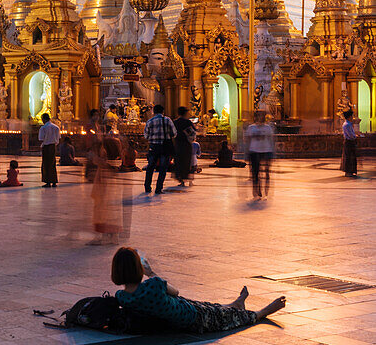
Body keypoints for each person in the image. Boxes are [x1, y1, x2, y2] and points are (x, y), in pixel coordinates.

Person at [111, 246, 285, 333]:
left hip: (177, 317)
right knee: (227, 319)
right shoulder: (154, 283)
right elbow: (175, 291)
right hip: (191, 317)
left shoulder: (121, 296)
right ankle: (263, 311)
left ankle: (234, 304)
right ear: (138, 268)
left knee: (211, 307)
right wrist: (151, 273)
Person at [90, 132, 125, 244]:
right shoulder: (117, 159)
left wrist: (96, 159)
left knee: (102, 209)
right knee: (113, 209)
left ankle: (103, 236)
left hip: (103, 184)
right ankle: (114, 235)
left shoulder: (104, 156)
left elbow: (101, 162)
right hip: (112, 185)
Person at [143, 104, 176, 195]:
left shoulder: (149, 121)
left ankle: (147, 187)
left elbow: (146, 136)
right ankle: (158, 188)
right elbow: (174, 133)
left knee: (150, 167)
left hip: (153, 147)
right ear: (163, 111)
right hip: (165, 147)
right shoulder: (167, 120)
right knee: (163, 168)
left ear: (153, 112)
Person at [244, 110, 275, 198]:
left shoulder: (267, 128)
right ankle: (257, 188)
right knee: (255, 172)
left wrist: (272, 152)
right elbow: (248, 140)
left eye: (262, 116)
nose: (261, 118)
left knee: (266, 172)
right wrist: (247, 152)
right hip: (254, 151)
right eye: (259, 116)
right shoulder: (251, 128)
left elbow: (270, 140)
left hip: (266, 150)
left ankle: (265, 186)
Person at [172, 106, 195, 188]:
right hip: (186, 144)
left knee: (178, 162)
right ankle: (186, 176)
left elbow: (172, 133)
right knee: (186, 161)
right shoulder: (187, 122)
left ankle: (180, 179)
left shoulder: (175, 122)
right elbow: (193, 132)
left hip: (178, 144)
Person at [38, 112, 60, 187]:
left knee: (46, 164)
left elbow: (41, 138)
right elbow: (58, 138)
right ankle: (54, 181)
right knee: (52, 164)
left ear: (44, 119)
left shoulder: (43, 128)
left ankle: (47, 181)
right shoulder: (56, 127)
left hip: (46, 147)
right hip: (53, 146)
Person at [342, 109, 359, 177]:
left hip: (350, 142)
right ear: (349, 117)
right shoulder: (346, 125)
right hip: (348, 142)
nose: (352, 117)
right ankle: (348, 171)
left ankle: (351, 171)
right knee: (348, 157)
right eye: (351, 116)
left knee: (352, 157)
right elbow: (350, 135)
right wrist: (355, 136)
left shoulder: (349, 124)